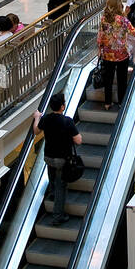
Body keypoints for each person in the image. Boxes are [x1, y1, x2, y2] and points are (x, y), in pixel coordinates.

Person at [33, 92, 82, 225]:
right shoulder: (67, 121)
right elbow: (78, 141)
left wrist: (37, 117)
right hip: (62, 159)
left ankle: (53, 192)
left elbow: (36, 131)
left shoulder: (46, 119)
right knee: (61, 185)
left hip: (48, 156)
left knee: (52, 174)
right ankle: (57, 216)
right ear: (62, 106)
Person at [97, 0, 135, 110]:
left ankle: (107, 103)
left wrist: (100, 49)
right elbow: (134, 32)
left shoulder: (104, 19)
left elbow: (100, 36)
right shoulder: (123, 20)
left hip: (107, 54)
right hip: (122, 54)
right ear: (119, 5)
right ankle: (122, 102)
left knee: (108, 79)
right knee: (122, 80)